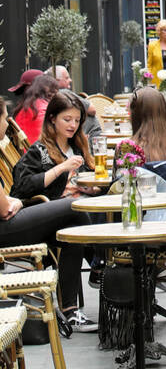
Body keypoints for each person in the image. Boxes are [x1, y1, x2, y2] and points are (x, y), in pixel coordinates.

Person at [9, 91, 99, 331]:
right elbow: (21, 187)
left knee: (82, 225)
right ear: (52, 119)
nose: (73, 125)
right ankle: (99, 264)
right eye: (66, 119)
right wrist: (61, 169)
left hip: (77, 213)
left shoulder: (78, 146)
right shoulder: (39, 151)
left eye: (77, 120)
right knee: (76, 212)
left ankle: (73, 309)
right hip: (44, 215)